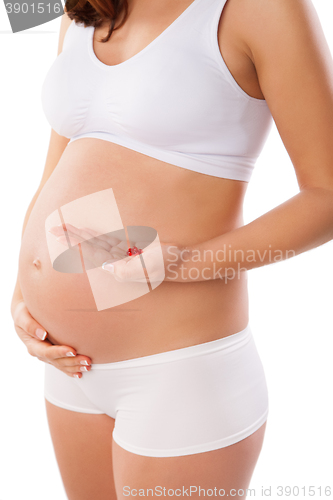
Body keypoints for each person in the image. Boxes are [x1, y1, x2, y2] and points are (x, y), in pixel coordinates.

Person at [11, 0, 333, 498]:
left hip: (177, 371)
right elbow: (57, 168)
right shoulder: (87, 9)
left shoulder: (260, 9)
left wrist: (186, 264)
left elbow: (328, 196)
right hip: (70, 366)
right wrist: (22, 292)